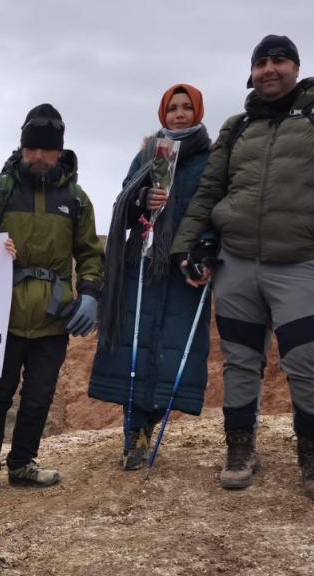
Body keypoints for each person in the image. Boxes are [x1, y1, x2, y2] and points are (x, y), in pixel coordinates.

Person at [171, 35, 314, 501]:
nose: (270, 69)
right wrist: (190, 246)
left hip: (301, 262)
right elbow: (210, 190)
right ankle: (241, 450)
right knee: (241, 363)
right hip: (237, 263)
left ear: (296, 67)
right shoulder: (237, 125)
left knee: (309, 364)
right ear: (251, 72)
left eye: (279, 60)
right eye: (261, 62)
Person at [0, 103, 104, 504]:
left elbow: (90, 253)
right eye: (32, 148)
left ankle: (23, 463)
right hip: (3, 313)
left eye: (46, 149)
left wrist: (91, 294)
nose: (38, 156)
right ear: (22, 147)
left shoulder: (76, 199)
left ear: (60, 151)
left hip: (54, 315)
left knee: (40, 394)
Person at [88, 83, 214, 470]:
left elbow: (215, 209)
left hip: (183, 270)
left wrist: (204, 249)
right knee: (136, 346)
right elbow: (123, 201)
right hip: (141, 267)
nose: (179, 114)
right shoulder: (148, 154)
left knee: (170, 348)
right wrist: (142, 200)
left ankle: (153, 420)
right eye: (172, 108)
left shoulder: (209, 160)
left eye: (186, 107)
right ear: (163, 113)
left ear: (198, 112)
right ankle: (133, 431)